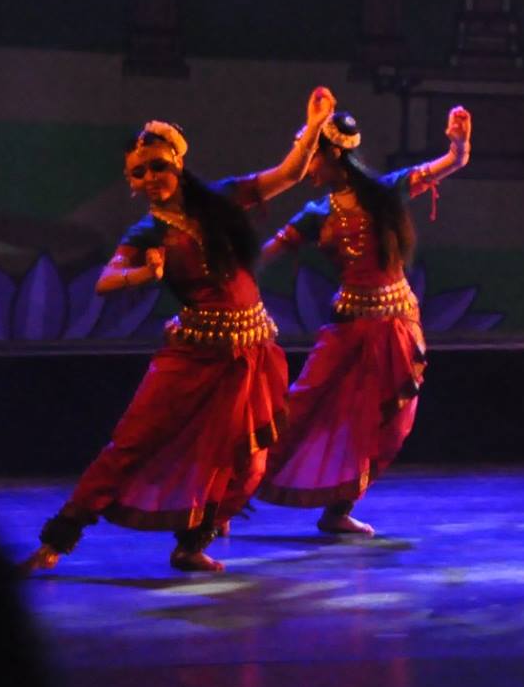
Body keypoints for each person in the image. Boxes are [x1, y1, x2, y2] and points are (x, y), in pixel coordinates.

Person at [19, 89, 337, 575]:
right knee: (132, 442)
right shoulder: (147, 233)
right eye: (138, 172)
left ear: (177, 165)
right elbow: (106, 281)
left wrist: (313, 125)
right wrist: (145, 275)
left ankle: (192, 544)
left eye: (157, 167)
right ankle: (58, 539)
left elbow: (290, 174)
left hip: (252, 351)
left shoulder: (223, 199)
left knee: (245, 461)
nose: (149, 178)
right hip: (192, 354)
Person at [255, 105, 472, 536]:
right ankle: (228, 494)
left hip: (396, 326)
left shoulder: (384, 193)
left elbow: (452, 164)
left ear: (334, 155)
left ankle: (338, 511)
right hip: (348, 326)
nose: (305, 168)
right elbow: (264, 255)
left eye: (310, 157)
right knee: (300, 411)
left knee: (388, 424)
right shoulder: (316, 212)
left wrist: (459, 144)